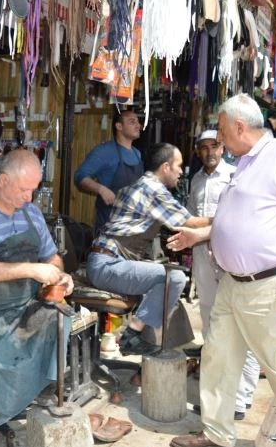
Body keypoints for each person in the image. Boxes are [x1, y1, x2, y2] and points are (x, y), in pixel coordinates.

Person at [167, 94, 276, 447]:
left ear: (240, 127)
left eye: (223, 131)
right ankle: (218, 431)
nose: (220, 139)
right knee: (218, 356)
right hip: (232, 283)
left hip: (266, 283)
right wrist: (202, 235)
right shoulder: (243, 163)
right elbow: (240, 220)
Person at [0, 149, 74, 433]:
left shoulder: (30, 213)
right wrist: (31, 270)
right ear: (3, 180)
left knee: (60, 317)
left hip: (23, 305)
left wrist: (59, 273)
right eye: (24, 190)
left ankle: (38, 391)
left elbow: (52, 256)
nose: (29, 198)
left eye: (33, 190)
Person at [86, 143, 210, 356]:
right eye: (178, 166)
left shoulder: (138, 185)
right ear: (165, 167)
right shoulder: (153, 189)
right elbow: (189, 222)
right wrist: (225, 221)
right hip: (107, 265)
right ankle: (131, 336)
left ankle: (146, 368)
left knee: (168, 294)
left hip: (108, 261)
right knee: (176, 279)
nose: (182, 171)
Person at [185, 129, 259, 419]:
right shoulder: (196, 180)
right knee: (211, 325)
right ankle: (217, 394)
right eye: (203, 148)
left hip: (232, 257)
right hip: (204, 257)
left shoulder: (235, 175)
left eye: (214, 146)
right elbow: (191, 218)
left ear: (222, 146)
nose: (209, 152)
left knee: (241, 327)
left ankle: (241, 397)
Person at [74, 108, 143, 234]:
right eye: (132, 122)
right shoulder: (105, 151)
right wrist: (101, 189)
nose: (138, 125)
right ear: (119, 126)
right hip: (109, 229)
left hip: (132, 228)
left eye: (138, 122)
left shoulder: (137, 153)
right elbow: (80, 176)